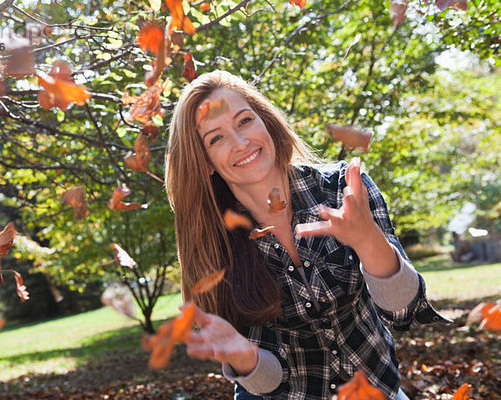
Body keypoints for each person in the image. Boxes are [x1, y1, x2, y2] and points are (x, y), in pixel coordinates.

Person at [165, 70, 450, 400]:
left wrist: (367, 240)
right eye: (216, 138)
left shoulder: (344, 190)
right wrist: (244, 357)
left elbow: (404, 312)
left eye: (244, 121)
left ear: (266, 121)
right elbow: (268, 385)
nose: (240, 143)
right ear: (206, 162)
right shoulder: (216, 243)